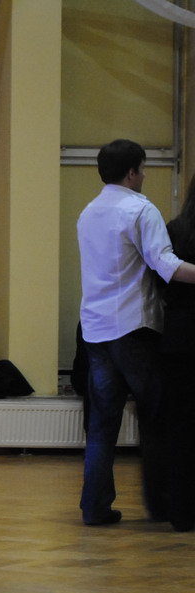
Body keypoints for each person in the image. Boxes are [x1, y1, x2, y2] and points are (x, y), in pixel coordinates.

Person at [76, 138, 195, 527]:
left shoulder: (88, 213)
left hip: (95, 331)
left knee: (101, 425)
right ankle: (166, 503)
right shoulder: (140, 209)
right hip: (133, 328)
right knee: (159, 417)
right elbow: (167, 266)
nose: (144, 175)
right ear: (132, 172)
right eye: (143, 169)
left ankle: (94, 507)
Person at [161, 173, 195, 532]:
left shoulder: (174, 229)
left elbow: (161, 277)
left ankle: (181, 510)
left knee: (180, 426)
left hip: (180, 334)